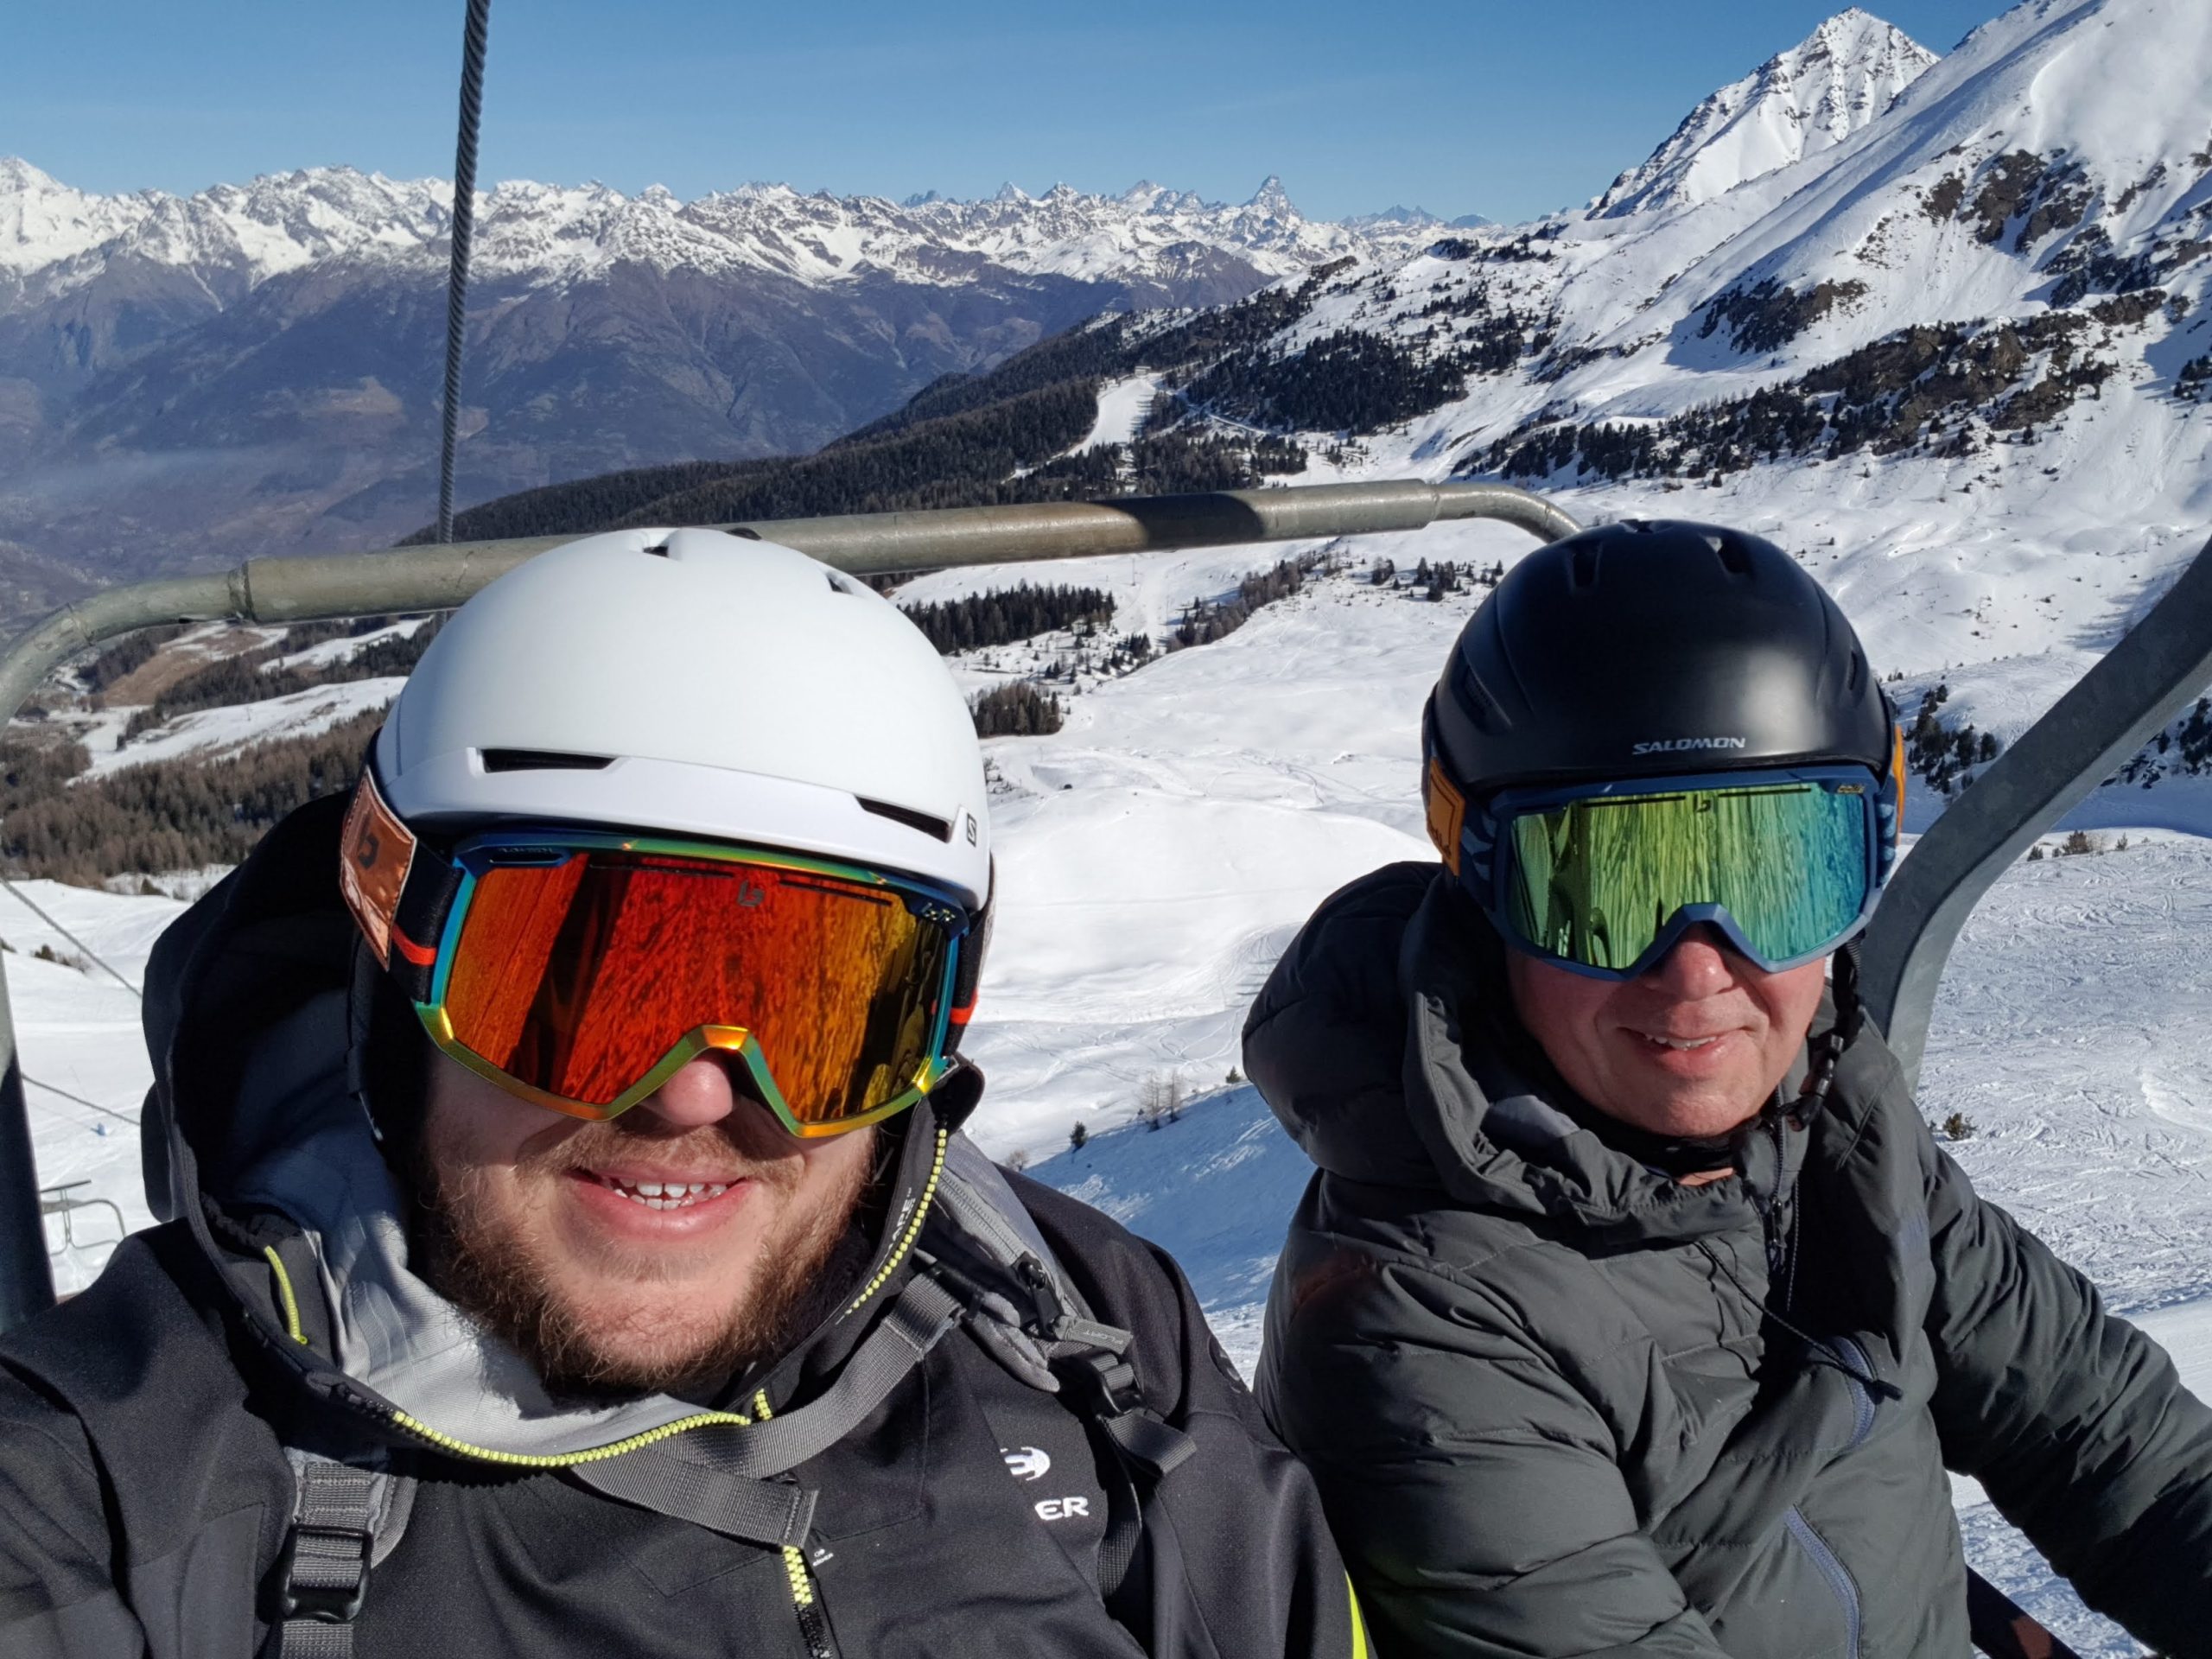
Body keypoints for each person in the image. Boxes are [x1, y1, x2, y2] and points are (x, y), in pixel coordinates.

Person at [0, 529, 1362, 1659]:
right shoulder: (110, 1493)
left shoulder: (1078, 1325)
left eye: (819, 1015)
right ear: (394, 959)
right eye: (570, 986)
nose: (699, 1094)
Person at [1246, 520, 2212, 1658]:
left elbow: (2105, 1438)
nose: (1700, 973)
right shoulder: (1415, 1328)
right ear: (1482, 890)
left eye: (1779, 877)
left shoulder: (1834, 1115)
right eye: (1605, 892)